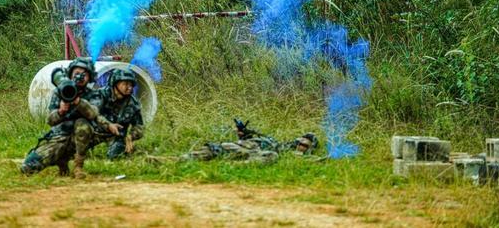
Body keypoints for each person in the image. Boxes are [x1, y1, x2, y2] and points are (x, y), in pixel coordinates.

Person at [20, 57, 121, 177]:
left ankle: (78, 167)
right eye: (77, 73)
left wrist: (78, 102)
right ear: (70, 74)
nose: (80, 77)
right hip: (60, 137)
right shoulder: (60, 92)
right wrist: (61, 111)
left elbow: (93, 113)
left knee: (82, 123)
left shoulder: (93, 94)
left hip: (84, 137)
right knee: (28, 167)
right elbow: (50, 121)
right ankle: (61, 161)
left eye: (84, 74)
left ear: (90, 77)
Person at [74, 68, 145, 161]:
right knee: (72, 151)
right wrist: (108, 125)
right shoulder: (100, 95)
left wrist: (131, 136)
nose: (130, 87)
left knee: (115, 157)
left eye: (131, 84)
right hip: (95, 132)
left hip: (116, 136)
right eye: (125, 84)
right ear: (115, 84)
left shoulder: (133, 103)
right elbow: (92, 114)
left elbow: (139, 126)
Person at [178, 120, 318, 164]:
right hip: (242, 147)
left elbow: (312, 159)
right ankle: (163, 161)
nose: (300, 146)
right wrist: (243, 133)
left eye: (305, 145)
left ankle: (231, 165)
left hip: (251, 154)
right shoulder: (275, 142)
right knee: (198, 155)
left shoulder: (290, 155)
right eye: (300, 142)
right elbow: (246, 138)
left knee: (272, 155)